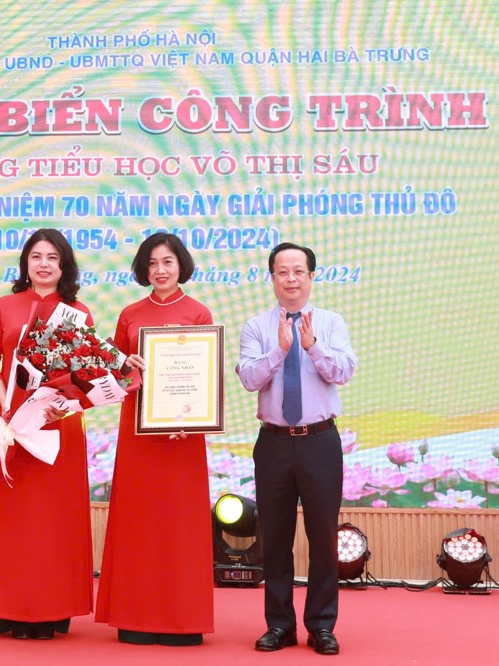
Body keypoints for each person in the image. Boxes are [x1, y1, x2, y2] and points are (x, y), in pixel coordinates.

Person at [236, 242, 357, 656]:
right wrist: (280, 350)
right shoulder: (256, 326)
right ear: (271, 278)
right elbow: (250, 379)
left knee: (323, 537)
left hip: (320, 441)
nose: (290, 279)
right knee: (275, 539)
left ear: (311, 276)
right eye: (282, 272)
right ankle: (280, 624)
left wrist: (311, 347)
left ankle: (322, 626)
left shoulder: (331, 322)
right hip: (273, 443)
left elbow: (344, 371)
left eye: (298, 271)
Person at [95, 232, 214, 645]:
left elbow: (205, 378)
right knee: (138, 522)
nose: (160, 270)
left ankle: (183, 619)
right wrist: (126, 365)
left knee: (180, 526)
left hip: (183, 436)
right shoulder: (130, 313)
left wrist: (194, 417)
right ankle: (135, 615)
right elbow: (114, 372)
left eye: (167, 262)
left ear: (181, 264)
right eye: (152, 264)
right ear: (143, 270)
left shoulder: (199, 312)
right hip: (139, 433)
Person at [0, 228, 93, 640]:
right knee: (14, 522)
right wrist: (7, 403)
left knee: (54, 522)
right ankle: (8, 608)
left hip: (57, 425)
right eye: (36, 256)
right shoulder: (5, 306)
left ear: (64, 265)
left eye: (52, 257)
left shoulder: (78, 312)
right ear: (26, 263)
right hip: (13, 425)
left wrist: (54, 404)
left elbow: (85, 374)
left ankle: (52, 609)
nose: (43, 264)